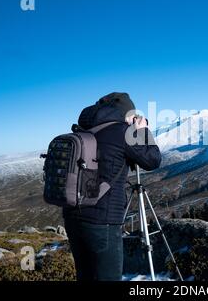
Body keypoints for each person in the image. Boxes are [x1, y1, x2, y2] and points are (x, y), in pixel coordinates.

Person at [63, 92, 161, 281]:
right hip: (102, 222)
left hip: (72, 216)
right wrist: (143, 131)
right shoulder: (123, 133)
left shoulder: (83, 130)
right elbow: (153, 160)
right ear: (127, 115)